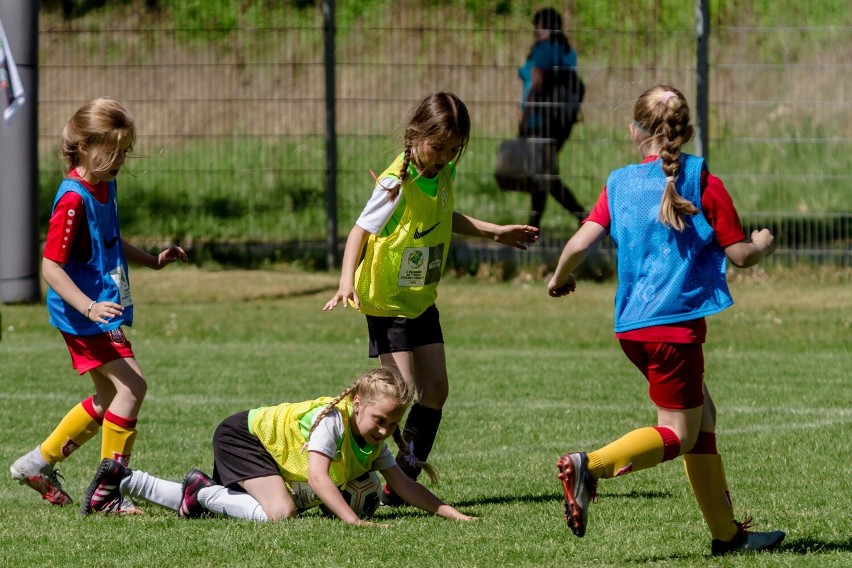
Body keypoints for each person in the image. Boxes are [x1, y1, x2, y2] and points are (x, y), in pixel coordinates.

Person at [547, 85, 785, 556]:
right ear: (688, 131)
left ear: (634, 131)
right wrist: (763, 244)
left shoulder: (618, 183)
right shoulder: (699, 177)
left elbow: (579, 243)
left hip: (632, 328)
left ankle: (727, 536)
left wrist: (559, 279)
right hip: (673, 331)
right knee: (679, 432)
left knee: (703, 416)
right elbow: (739, 256)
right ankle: (587, 466)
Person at [323, 92, 539, 506]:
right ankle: (341, 463)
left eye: (453, 150)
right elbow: (359, 231)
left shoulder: (442, 175)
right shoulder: (394, 183)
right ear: (415, 135)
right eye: (438, 147)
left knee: (436, 389)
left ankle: (400, 483)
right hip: (387, 303)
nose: (444, 157)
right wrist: (346, 279)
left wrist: (494, 231)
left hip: (420, 299)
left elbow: (442, 215)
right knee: (396, 396)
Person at [9, 97, 188, 512]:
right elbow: (51, 267)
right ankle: (109, 493)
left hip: (98, 308)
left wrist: (151, 260)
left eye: (125, 152)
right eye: (113, 151)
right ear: (85, 145)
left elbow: (110, 238)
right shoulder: (72, 199)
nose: (121, 159)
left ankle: (37, 464)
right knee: (133, 387)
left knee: (111, 398)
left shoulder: (105, 184)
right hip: (82, 314)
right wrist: (89, 307)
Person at [81, 367, 475, 525]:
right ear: (358, 405)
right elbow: (320, 480)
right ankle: (200, 491)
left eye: (393, 423)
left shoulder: (374, 440)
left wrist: (453, 515)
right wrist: (353, 521)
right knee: (281, 511)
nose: (385, 429)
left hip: (258, 446)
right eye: (380, 419)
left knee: (245, 510)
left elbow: (404, 486)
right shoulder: (333, 422)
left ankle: (123, 480)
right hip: (243, 437)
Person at [518, 7, 585, 228]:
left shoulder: (543, 49)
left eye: (537, 28)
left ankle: (583, 217)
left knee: (546, 178)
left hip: (539, 122)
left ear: (545, 28)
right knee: (544, 175)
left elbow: (536, 84)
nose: (534, 33)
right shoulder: (567, 51)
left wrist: (524, 119)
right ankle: (535, 226)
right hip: (560, 125)